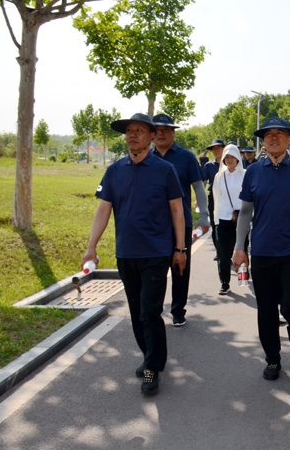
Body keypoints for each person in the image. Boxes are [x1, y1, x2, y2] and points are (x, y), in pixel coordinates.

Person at [83, 113, 186, 395]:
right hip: (126, 253)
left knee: (149, 310)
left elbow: (177, 210)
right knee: (136, 312)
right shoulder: (114, 171)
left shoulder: (165, 170)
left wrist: (180, 249)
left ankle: (151, 367)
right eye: (129, 130)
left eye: (139, 130)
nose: (132, 135)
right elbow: (103, 210)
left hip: (156, 253)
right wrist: (91, 248)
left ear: (151, 136)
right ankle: (152, 355)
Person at [233, 117, 290, 381]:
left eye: (279, 133)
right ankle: (272, 358)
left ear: (288, 140)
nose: (273, 137)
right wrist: (240, 247)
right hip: (262, 252)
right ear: (264, 141)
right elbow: (245, 212)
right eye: (268, 134)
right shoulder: (253, 171)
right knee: (267, 308)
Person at [152, 113, 210, 327]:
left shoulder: (186, 157)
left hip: (181, 222)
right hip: (154, 225)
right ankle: (154, 310)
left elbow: (198, 188)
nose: (161, 133)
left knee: (180, 268)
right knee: (156, 270)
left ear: (173, 132)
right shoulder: (147, 157)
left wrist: (204, 215)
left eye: (166, 129)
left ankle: (178, 310)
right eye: (157, 130)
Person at [213, 144, 245, 294]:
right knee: (223, 252)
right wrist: (216, 218)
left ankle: (243, 276)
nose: (230, 160)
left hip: (241, 218)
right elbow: (216, 197)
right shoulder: (219, 176)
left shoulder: (245, 174)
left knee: (242, 248)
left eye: (233, 157)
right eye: (227, 157)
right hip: (224, 217)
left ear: (238, 158)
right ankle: (224, 282)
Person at [204, 138, 225, 257]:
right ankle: (219, 251)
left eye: (219, 148)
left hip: (227, 196)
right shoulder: (209, 165)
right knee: (214, 223)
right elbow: (203, 181)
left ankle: (228, 249)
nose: (216, 151)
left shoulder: (230, 162)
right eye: (214, 149)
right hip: (213, 196)